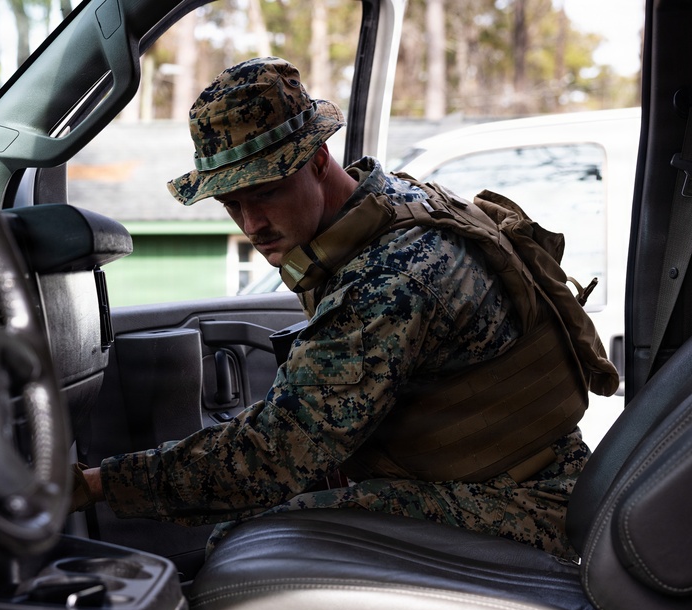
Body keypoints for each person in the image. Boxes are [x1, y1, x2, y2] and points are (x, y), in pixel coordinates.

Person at [71, 56, 618, 560]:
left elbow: (271, 456)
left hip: (524, 504)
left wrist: (95, 485)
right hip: (526, 478)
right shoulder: (403, 201)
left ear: (318, 159)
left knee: (245, 543)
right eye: (231, 203)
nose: (251, 224)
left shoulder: (392, 278)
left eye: (264, 193)